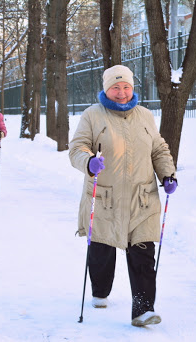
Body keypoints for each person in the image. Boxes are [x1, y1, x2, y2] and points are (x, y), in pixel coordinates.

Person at [69, 65, 178, 327]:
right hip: (105, 198)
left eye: (126, 87)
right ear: (107, 89)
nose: (121, 92)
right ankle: (100, 290)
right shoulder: (92, 115)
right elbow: (77, 148)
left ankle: (143, 309)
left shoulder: (145, 116)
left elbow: (159, 149)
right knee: (102, 250)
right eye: (115, 87)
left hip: (142, 198)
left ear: (132, 88)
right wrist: (89, 162)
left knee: (142, 253)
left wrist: (168, 175)